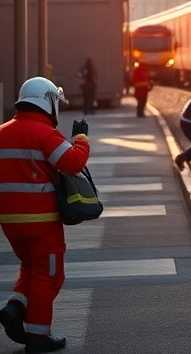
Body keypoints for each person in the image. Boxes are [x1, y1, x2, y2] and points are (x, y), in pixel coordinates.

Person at [0, 78, 91, 353]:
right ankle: (39, 337)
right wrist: (81, 138)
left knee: (30, 268)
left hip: (10, 224)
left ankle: (14, 308)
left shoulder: (2, 132)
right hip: (42, 222)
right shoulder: (44, 134)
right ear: (48, 101)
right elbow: (74, 162)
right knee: (48, 276)